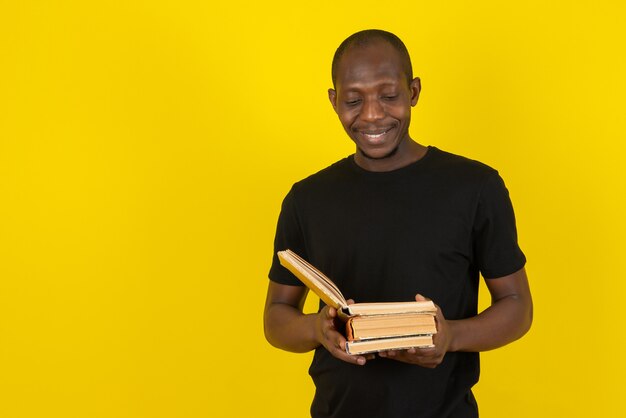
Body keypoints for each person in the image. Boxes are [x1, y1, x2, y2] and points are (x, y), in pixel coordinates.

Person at [263, 29, 533, 418]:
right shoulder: (307, 198)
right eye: (353, 100)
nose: (372, 114)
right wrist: (316, 330)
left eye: (389, 96)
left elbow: (517, 305)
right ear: (334, 101)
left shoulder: (476, 187)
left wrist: (451, 337)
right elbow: (276, 317)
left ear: (414, 92)